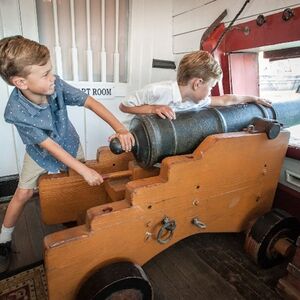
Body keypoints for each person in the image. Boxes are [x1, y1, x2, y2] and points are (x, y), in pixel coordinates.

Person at [0, 35, 134, 273]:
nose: (52, 78)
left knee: (80, 186)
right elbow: (48, 146)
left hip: (70, 145)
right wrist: (83, 169)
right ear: (20, 82)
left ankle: (80, 223)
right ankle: (4, 239)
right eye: (45, 74)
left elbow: (90, 103)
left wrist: (120, 128)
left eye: (51, 71)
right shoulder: (15, 112)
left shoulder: (56, 85)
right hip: (40, 153)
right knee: (23, 193)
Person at [119, 50, 272, 126]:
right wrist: (152, 108)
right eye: (211, 87)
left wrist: (254, 98)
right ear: (197, 83)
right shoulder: (157, 91)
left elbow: (226, 100)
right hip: (134, 135)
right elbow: (124, 106)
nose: (211, 92)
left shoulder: (196, 101)